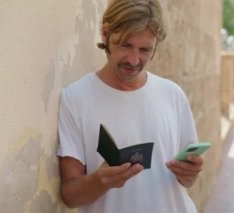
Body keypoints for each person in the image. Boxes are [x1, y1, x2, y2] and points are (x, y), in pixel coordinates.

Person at [57, 0, 204, 212]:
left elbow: (186, 182)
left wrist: (190, 175)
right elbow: (70, 195)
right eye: (125, 45)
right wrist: (100, 180)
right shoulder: (75, 98)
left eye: (145, 49)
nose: (134, 60)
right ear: (105, 35)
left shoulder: (173, 95)